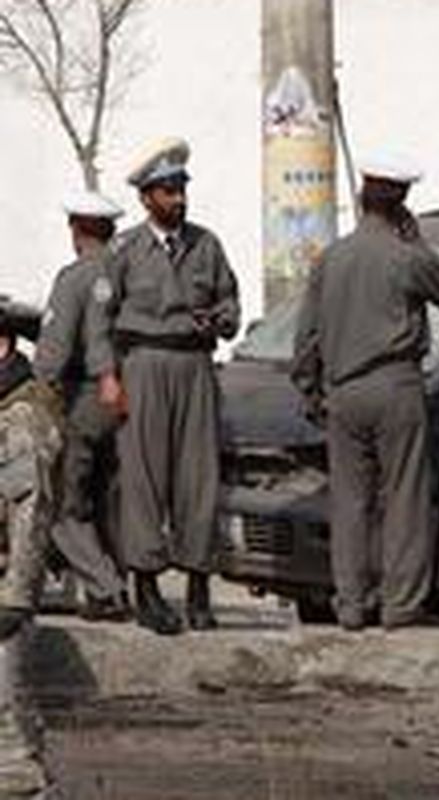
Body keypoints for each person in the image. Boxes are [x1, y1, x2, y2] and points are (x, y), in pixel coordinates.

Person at [292, 155, 439, 631]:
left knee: (349, 502)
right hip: (395, 385)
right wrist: (420, 241)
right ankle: (400, 606)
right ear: (403, 203)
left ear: (361, 200)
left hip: (343, 392)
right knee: (404, 498)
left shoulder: (331, 258)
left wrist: (313, 391)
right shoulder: (406, 256)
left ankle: (351, 605)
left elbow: (305, 337)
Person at [103, 138, 241, 635]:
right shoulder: (123, 251)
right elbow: (100, 322)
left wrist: (220, 321)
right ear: (146, 198)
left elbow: (231, 303)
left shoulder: (207, 245)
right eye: (166, 191)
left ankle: (199, 589)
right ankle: (147, 588)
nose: (178, 199)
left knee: (197, 478)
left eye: (181, 189)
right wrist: (108, 378)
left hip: (195, 366)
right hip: (142, 364)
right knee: (144, 479)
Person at [34, 190, 132, 622]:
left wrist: (38, 396)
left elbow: (53, 355)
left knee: (62, 503)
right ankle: (118, 583)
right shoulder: (129, 271)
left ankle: (106, 590)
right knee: (109, 498)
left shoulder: (74, 278)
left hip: (83, 398)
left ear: (76, 229)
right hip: (129, 396)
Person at [0, 303, 63, 794]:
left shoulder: (21, 418)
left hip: (2, 593)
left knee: (10, 740)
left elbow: (32, 506)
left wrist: (17, 596)